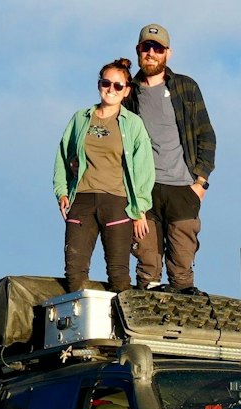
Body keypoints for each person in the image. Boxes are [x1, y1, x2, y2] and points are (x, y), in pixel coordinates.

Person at [124, 23, 216, 295]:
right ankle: (146, 324)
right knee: (147, 266)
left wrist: (200, 182)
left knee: (182, 268)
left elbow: (206, 135)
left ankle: (182, 328)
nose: (151, 53)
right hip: (145, 191)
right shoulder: (128, 92)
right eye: (146, 47)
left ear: (168, 53)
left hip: (182, 188)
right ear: (138, 51)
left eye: (158, 48)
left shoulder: (186, 87)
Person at [53, 59, 155, 292]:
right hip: (82, 200)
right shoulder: (81, 118)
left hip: (117, 202)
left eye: (118, 86)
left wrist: (139, 209)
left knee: (119, 273)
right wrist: (61, 191)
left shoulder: (133, 124)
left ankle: (122, 327)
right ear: (99, 85)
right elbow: (62, 154)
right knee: (74, 272)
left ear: (126, 90)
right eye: (106, 83)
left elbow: (144, 169)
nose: (111, 89)